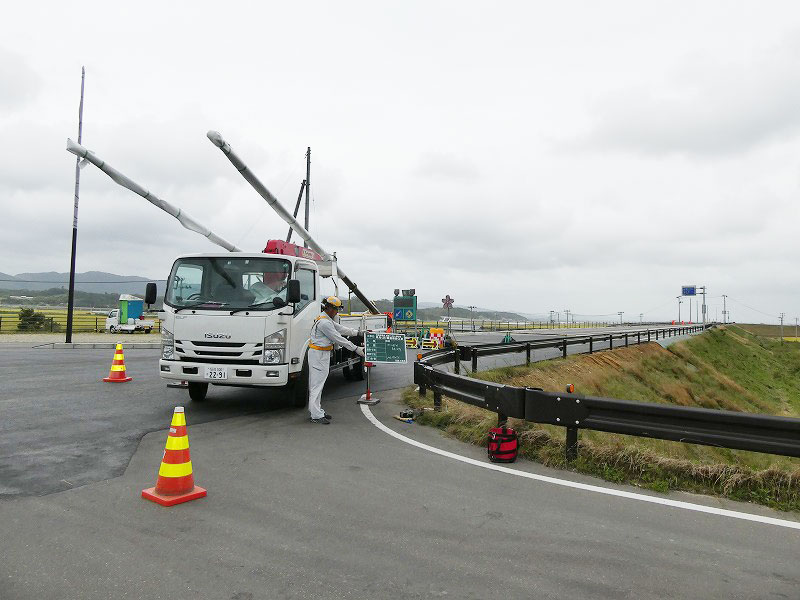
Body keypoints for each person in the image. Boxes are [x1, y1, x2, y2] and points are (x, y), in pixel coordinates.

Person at [307, 296, 364, 424]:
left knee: (318, 385)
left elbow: (340, 328)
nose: (337, 312)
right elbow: (339, 338)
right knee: (316, 385)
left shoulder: (325, 318)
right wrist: (356, 348)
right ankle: (315, 415)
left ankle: (317, 411)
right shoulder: (325, 323)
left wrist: (357, 333)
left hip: (321, 354)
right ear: (330, 308)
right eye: (336, 309)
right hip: (319, 354)